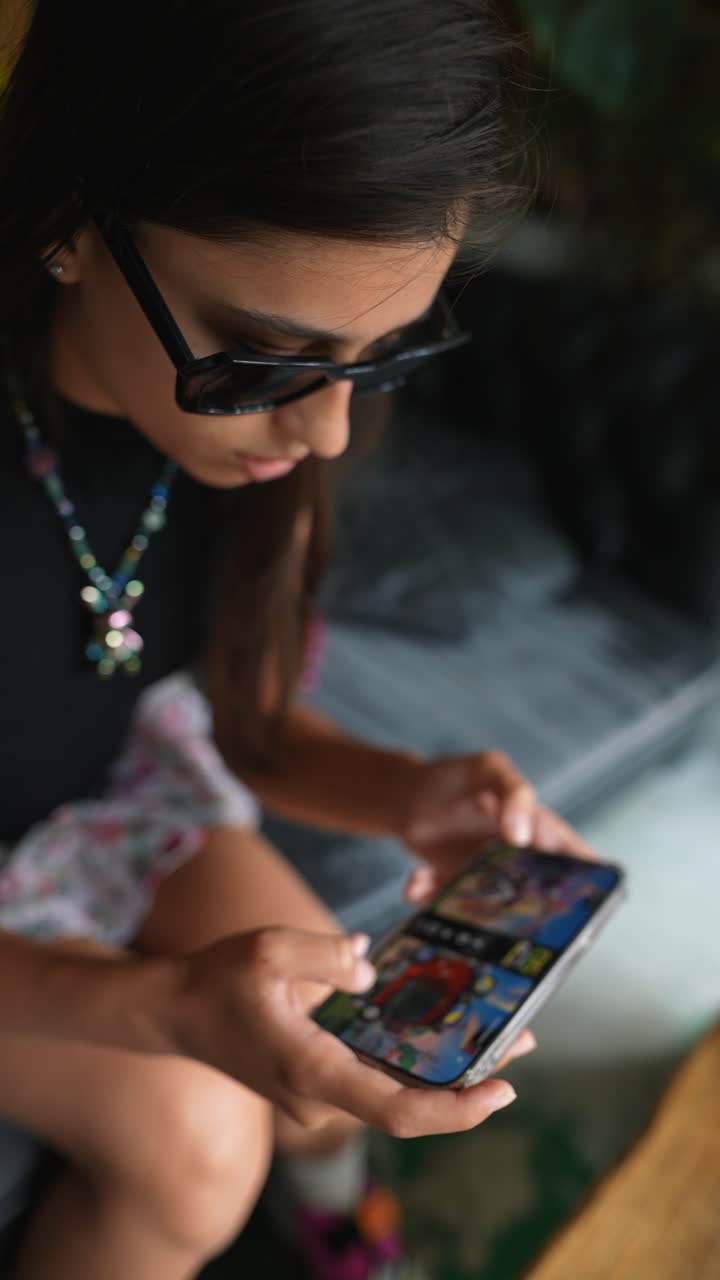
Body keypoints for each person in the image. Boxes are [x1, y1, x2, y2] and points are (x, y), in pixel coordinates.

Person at [0, 2, 595, 1277]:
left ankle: (336, 1229)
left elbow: (251, 720)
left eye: (378, 360)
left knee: (342, 1050)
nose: (325, 437)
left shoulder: (256, 439)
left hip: (105, 812)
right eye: (267, 359)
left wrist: (412, 791)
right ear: (65, 225)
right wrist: (156, 1009)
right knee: (201, 1137)